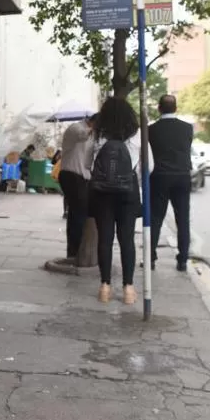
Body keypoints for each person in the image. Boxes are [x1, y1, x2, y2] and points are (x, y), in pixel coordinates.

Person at [89, 97, 148, 305]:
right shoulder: (138, 134)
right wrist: (135, 181)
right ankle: (128, 289)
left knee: (105, 239)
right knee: (127, 239)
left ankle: (105, 287)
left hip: (102, 193)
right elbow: (148, 166)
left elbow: (90, 164)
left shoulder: (98, 134)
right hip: (128, 192)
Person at [148, 95, 194, 272]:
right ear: (176, 108)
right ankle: (182, 260)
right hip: (182, 176)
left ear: (159, 108)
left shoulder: (151, 130)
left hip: (159, 176)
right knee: (182, 219)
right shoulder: (187, 128)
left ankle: (151, 258)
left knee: (155, 218)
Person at [58, 114, 97, 261]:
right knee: (78, 214)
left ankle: (76, 250)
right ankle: (74, 252)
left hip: (83, 178)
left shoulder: (92, 134)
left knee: (79, 213)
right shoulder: (76, 128)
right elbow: (82, 135)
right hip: (72, 175)